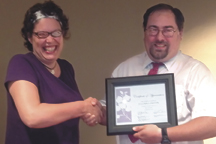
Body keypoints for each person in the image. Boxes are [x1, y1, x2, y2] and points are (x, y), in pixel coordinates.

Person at [84, 3, 216, 144]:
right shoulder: (124, 69)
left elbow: (212, 123)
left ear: (180, 33)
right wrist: (94, 111)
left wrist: (163, 134)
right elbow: (112, 115)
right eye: (153, 29)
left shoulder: (195, 72)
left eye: (168, 30)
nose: (160, 37)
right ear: (145, 32)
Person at [4, 1, 102, 144]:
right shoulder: (21, 64)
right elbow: (32, 116)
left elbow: (70, 112)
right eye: (42, 34)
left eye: (56, 33)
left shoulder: (66, 68)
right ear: (30, 37)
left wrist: (91, 113)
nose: (50, 40)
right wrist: (82, 107)